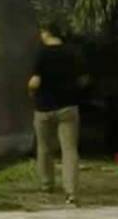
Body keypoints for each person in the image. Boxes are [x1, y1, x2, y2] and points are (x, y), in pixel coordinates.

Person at [29, 19, 87, 205]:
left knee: (45, 148)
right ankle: (72, 192)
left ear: (46, 32)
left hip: (44, 107)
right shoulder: (73, 53)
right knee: (69, 150)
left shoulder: (41, 54)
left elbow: (35, 82)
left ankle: (47, 184)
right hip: (68, 107)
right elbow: (84, 79)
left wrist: (31, 92)